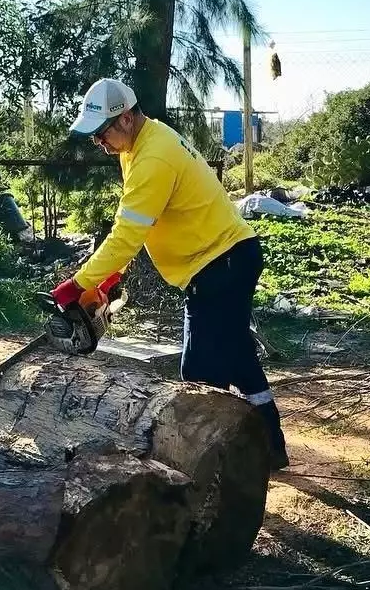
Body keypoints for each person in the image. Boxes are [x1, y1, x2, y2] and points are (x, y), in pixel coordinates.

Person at [51, 77, 289, 469]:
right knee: (238, 355)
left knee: (199, 373)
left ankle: (210, 465)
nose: (100, 143)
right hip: (225, 258)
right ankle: (269, 448)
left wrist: (80, 285)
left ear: (125, 118)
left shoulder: (153, 157)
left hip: (220, 264)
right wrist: (112, 275)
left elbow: (127, 233)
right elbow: (140, 222)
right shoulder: (140, 144)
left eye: (102, 133)